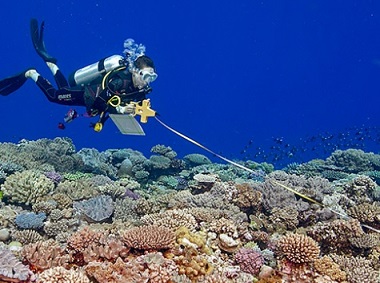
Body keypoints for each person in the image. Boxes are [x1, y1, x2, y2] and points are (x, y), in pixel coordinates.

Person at [0, 19, 158, 132]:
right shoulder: (118, 81)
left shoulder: (139, 89)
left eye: (152, 78)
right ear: (135, 71)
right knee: (54, 96)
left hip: (90, 102)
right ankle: (32, 73)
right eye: (145, 76)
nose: (147, 82)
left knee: (64, 89)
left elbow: (132, 104)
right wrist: (122, 110)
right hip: (86, 95)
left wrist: (144, 109)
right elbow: (104, 101)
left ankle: (51, 64)